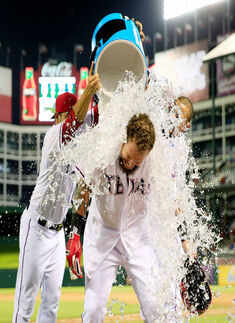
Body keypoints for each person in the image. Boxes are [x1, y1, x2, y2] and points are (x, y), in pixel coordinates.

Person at [12, 63, 101, 323]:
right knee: (24, 302)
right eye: (72, 115)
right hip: (36, 227)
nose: (79, 122)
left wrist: (74, 231)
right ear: (61, 116)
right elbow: (75, 121)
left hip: (58, 232)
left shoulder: (77, 150)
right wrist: (88, 91)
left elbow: (96, 117)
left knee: (51, 303)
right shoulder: (53, 135)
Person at [73, 113, 162, 322]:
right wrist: (75, 233)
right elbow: (83, 190)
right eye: (128, 156)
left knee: (155, 306)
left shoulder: (155, 163)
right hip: (103, 234)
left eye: (137, 162)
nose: (131, 164)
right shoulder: (104, 151)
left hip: (138, 236)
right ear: (126, 138)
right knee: (93, 309)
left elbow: (169, 202)